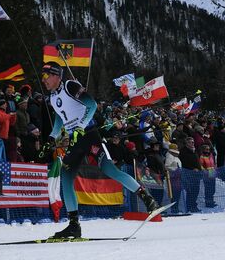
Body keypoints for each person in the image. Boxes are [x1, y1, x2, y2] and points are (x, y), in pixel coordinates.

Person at [41, 62, 158, 239]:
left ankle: (147, 197)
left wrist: (80, 125)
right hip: (76, 140)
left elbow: (92, 105)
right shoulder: (51, 97)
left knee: (109, 170)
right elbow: (59, 117)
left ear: (57, 75)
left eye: (46, 76)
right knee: (66, 177)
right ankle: (74, 225)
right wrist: (52, 136)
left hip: (90, 135)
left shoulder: (69, 86)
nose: (44, 80)